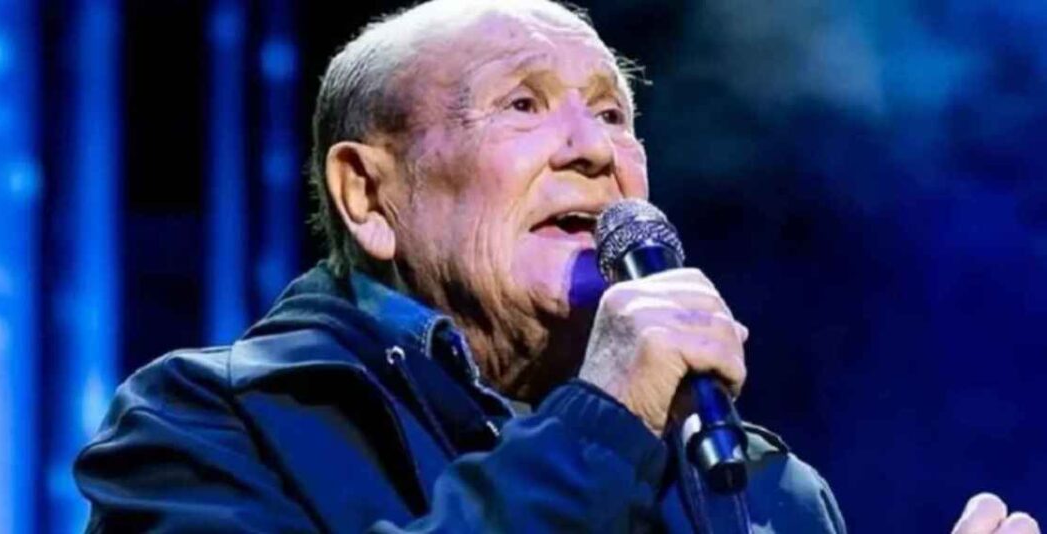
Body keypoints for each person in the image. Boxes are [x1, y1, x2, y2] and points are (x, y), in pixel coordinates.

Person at [75, 1, 1039, 532]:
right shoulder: (208, 424)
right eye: (523, 106)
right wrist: (602, 420)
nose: (593, 150)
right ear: (368, 194)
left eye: (613, 114)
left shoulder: (759, 489)